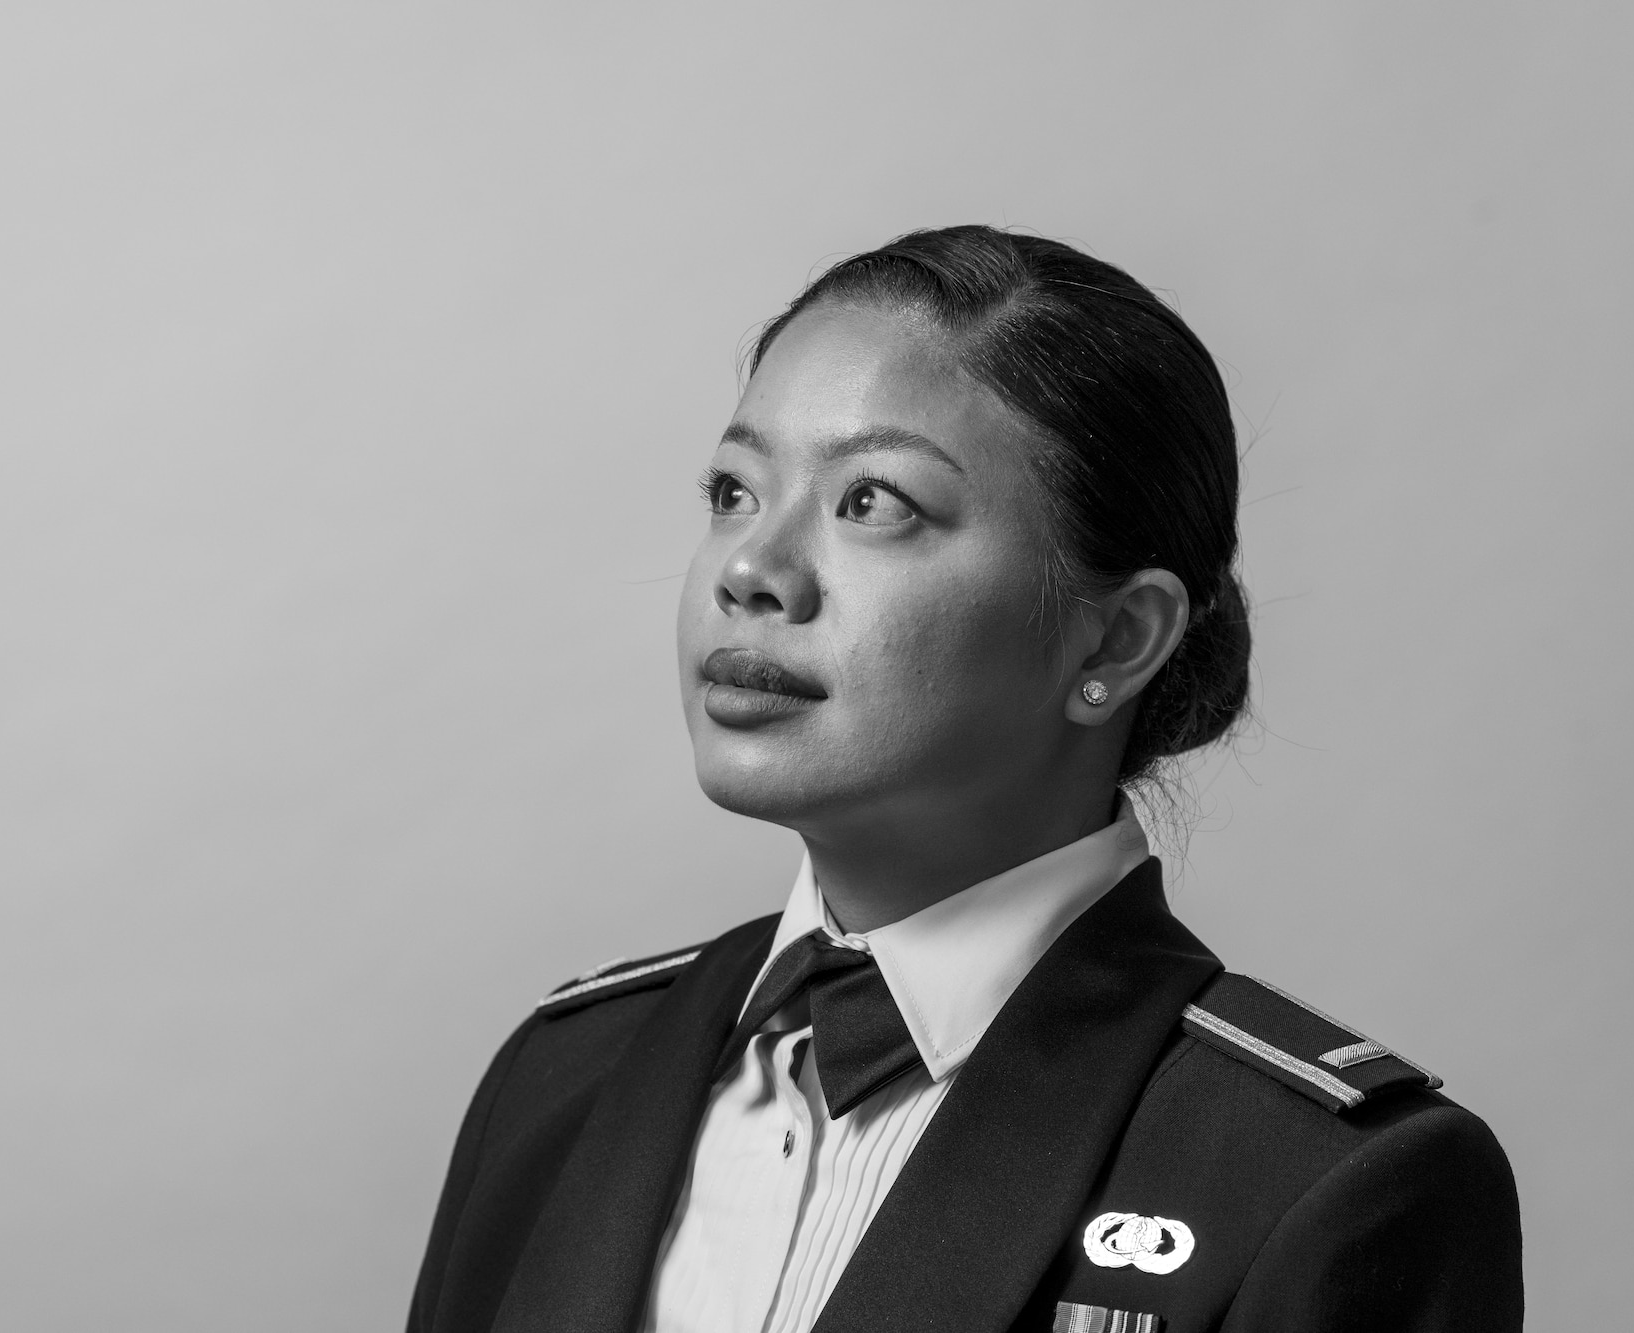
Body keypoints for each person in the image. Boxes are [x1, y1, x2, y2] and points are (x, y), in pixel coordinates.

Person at [406, 226, 1522, 1333]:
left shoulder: (1324, 1182)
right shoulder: (562, 1077)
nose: (749, 571)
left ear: (1116, 638)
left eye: (873, 502)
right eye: (733, 490)